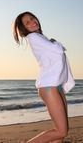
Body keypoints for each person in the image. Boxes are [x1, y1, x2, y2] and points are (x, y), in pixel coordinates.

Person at [13, 11, 75, 143]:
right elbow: (59, 50)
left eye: (32, 18)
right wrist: (55, 42)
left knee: (60, 134)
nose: (32, 21)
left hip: (56, 86)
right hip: (49, 87)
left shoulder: (41, 38)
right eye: (27, 22)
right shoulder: (34, 37)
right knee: (61, 131)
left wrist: (51, 42)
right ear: (24, 29)